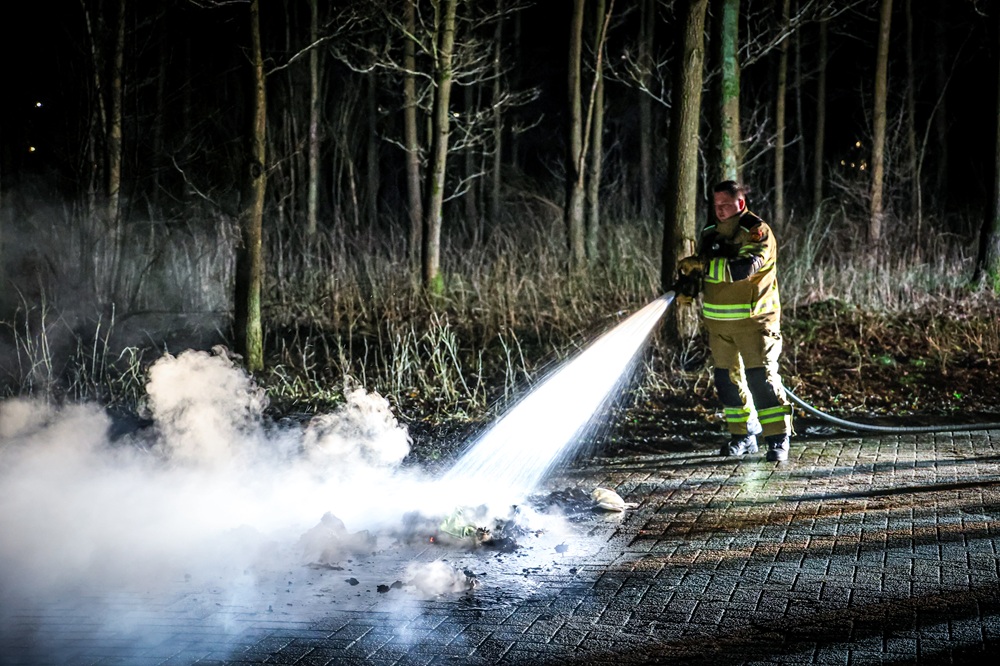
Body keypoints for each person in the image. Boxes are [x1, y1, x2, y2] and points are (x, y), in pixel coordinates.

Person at [677, 180, 793, 462]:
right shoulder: (709, 233)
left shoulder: (757, 232)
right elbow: (699, 271)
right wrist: (687, 287)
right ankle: (743, 435)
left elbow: (744, 268)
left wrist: (702, 266)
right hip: (719, 325)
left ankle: (778, 438)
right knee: (727, 382)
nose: (719, 210)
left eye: (725, 205)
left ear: (740, 204)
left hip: (755, 323)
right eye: (716, 205)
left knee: (761, 379)